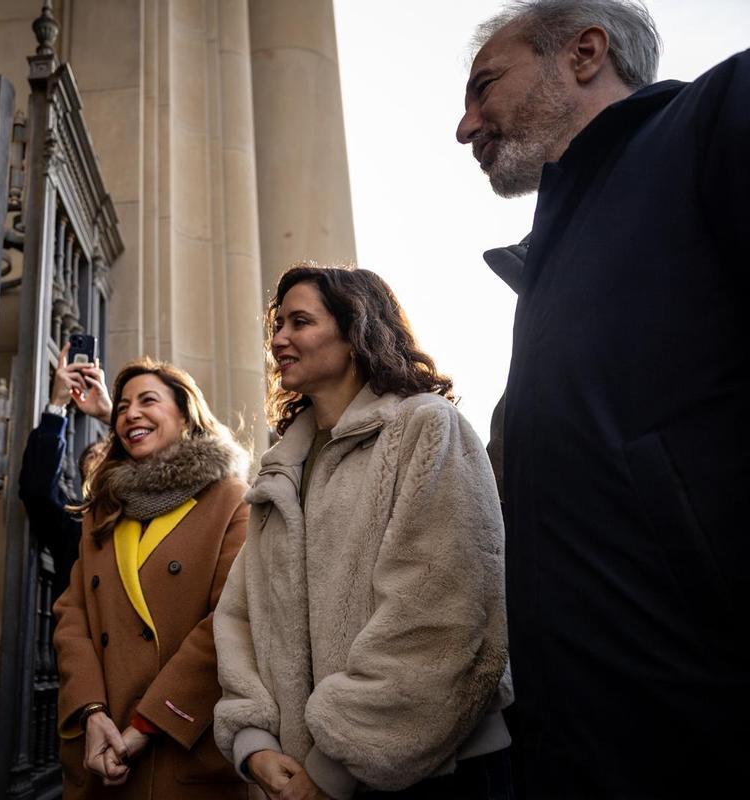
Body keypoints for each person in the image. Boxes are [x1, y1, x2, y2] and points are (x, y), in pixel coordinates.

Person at [455, 2, 747, 795]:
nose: (465, 125)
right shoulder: (546, 262)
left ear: (585, 54)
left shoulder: (717, 117)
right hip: (579, 742)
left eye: (485, 87)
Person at [214, 264, 511, 800]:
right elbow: (241, 615)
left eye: (300, 322)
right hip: (296, 774)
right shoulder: (280, 470)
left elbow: (440, 616)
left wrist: (334, 766)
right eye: (277, 325)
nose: (278, 340)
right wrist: (253, 741)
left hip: (434, 777)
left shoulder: (426, 427)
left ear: (356, 331)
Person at [53, 358, 251, 799]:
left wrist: (147, 723)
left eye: (148, 401)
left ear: (185, 415)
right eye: (122, 407)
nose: (130, 414)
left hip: (180, 743)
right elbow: (73, 615)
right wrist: (91, 711)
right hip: (101, 743)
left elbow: (231, 619)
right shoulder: (104, 509)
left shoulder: (231, 500)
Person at [19, 342, 113, 598]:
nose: (99, 456)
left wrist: (111, 416)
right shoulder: (76, 524)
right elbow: (37, 488)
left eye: (108, 453)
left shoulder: (155, 508)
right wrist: (58, 403)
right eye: (92, 456)